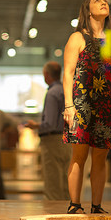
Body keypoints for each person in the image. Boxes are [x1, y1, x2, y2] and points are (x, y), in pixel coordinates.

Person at [62, 0, 111, 214]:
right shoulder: (77, 38)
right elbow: (68, 73)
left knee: (101, 158)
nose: (103, 3)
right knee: (79, 156)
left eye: (105, 0)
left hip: (106, 105)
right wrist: (69, 105)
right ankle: (75, 204)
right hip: (81, 105)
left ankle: (97, 206)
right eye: (97, 0)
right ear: (87, 9)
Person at [25, 61, 70, 200]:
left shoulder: (52, 93)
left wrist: (35, 125)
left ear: (46, 75)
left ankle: (54, 216)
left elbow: (49, 123)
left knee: (53, 182)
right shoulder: (66, 90)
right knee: (66, 181)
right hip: (67, 140)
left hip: (52, 141)